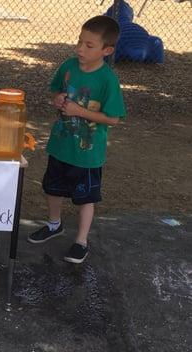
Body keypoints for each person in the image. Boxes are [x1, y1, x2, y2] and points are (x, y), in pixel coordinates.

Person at [27, 15, 126, 264]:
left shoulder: (108, 79)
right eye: (79, 42)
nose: (80, 49)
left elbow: (113, 118)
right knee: (52, 188)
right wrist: (58, 99)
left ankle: (81, 240)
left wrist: (79, 111)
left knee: (86, 198)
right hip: (61, 145)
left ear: (107, 50)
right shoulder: (69, 66)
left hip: (87, 153)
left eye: (89, 45)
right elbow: (55, 92)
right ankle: (53, 224)